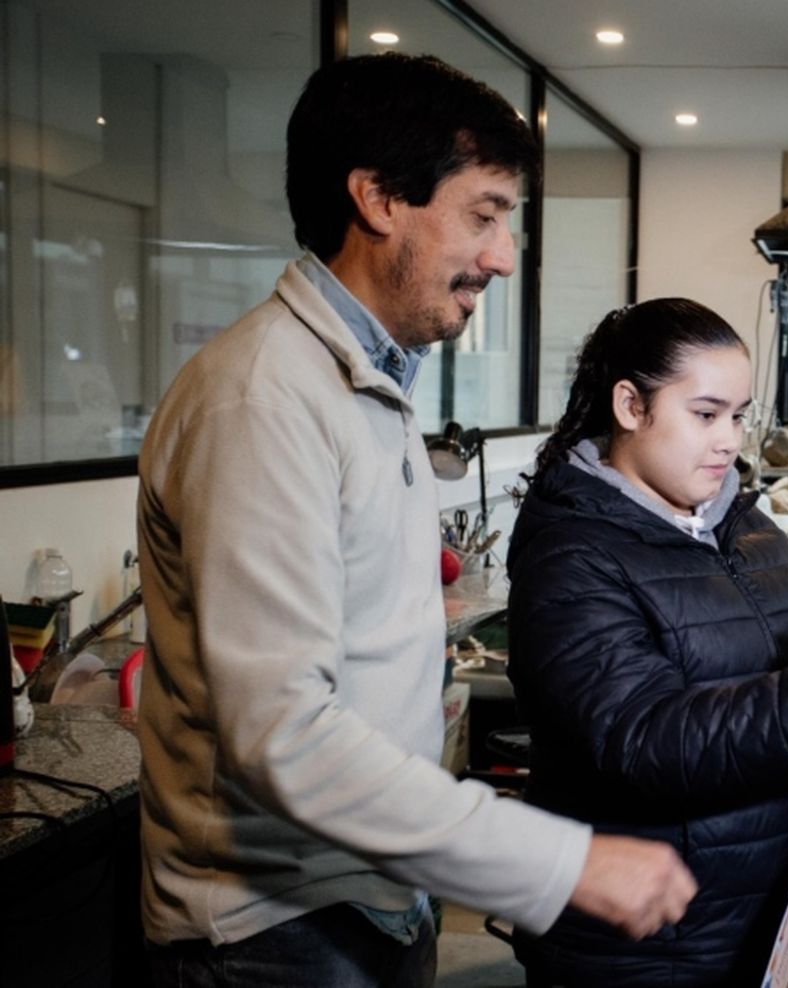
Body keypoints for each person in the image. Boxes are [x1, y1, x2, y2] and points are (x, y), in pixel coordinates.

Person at [135, 54, 695, 988]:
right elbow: (283, 734)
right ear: (379, 198)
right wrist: (553, 862)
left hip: (368, 897)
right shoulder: (262, 399)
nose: (504, 256)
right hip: (272, 932)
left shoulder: (370, 381)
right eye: (483, 214)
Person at [504, 298, 788, 986]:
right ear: (631, 406)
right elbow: (645, 740)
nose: (729, 440)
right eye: (705, 414)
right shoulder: (571, 556)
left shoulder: (754, 534)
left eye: (740, 415)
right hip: (657, 946)